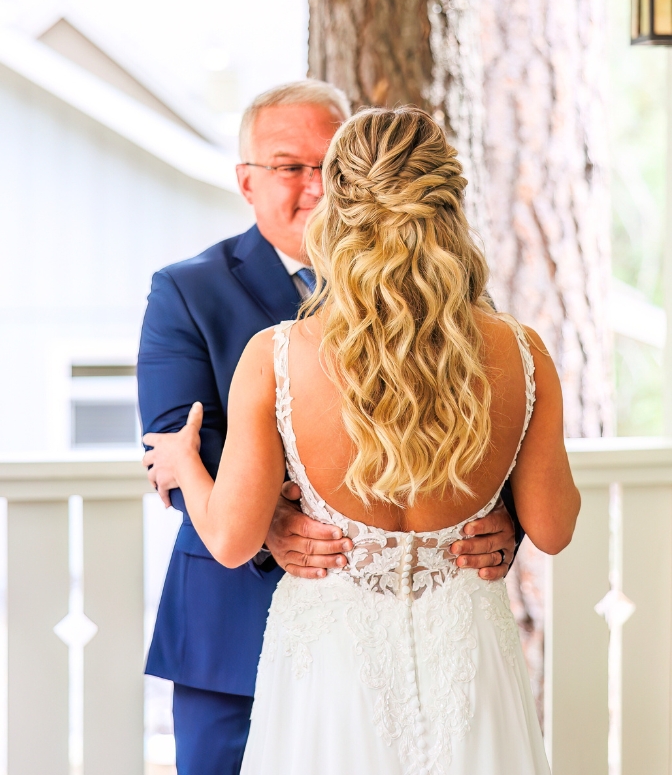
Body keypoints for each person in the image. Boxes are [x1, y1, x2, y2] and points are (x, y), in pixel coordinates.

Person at [138, 86, 520, 775]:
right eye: (291, 167)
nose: (315, 186)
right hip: (230, 632)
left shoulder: (452, 294)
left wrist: (507, 517)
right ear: (246, 180)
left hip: (410, 634)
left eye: (329, 165)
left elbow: (481, 423)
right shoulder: (187, 289)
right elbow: (175, 433)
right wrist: (272, 522)